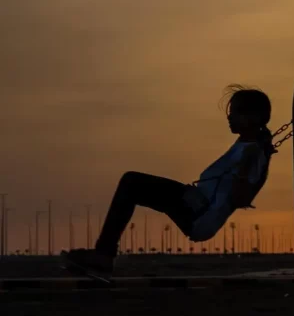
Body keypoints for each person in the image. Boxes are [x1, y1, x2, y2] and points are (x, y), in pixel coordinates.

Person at [63, 85, 276, 278]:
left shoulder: (253, 153)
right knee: (131, 185)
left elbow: (241, 198)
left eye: (237, 112)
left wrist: (245, 170)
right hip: (195, 202)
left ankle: (103, 255)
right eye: (231, 112)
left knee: (131, 182)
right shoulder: (247, 144)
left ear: (255, 117)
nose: (230, 117)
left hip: (200, 214)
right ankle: (103, 254)